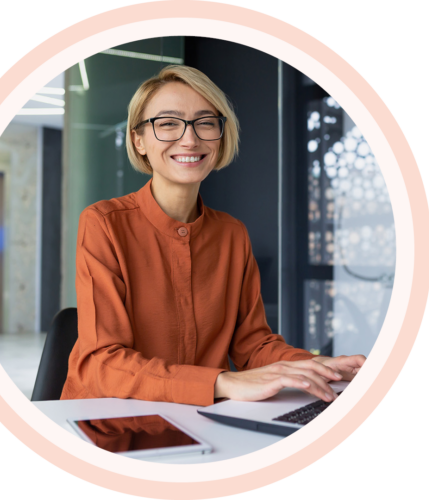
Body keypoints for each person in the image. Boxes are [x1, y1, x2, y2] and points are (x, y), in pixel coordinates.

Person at [60, 65, 365, 406]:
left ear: (221, 138)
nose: (190, 139)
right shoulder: (104, 224)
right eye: (168, 124)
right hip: (110, 427)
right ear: (139, 140)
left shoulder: (232, 234)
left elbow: (254, 345)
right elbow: (103, 363)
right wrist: (222, 382)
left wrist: (314, 366)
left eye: (205, 123)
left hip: (206, 425)